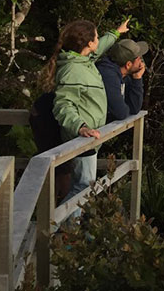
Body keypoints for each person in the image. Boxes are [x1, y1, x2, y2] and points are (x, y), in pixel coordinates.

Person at [38, 18, 130, 206]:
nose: (98, 39)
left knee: (83, 187)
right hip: (82, 138)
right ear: (88, 44)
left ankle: (69, 223)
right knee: (83, 188)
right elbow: (63, 105)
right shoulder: (73, 70)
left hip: (89, 139)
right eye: (96, 36)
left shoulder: (83, 61)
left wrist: (116, 33)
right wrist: (80, 127)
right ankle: (62, 224)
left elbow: (99, 48)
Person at [96, 38, 148, 122]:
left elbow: (134, 108)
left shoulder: (123, 75)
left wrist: (137, 78)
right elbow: (121, 113)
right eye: (139, 58)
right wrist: (126, 108)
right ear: (128, 64)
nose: (141, 62)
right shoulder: (108, 76)